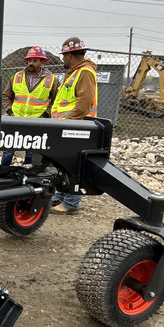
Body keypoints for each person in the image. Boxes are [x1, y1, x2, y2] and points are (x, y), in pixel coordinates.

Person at [51, 37, 98, 214]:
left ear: (70, 55)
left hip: (76, 127)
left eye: (64, 55)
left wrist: (69, 123)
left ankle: (71, 203)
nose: (63, 59)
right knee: (64, 163)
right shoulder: (74, 73)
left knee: (73, 164)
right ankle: (62, 195)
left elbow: (84, 103)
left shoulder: (85, 72)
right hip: (67, 125)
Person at [1, 46, 59, 166]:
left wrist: (45, 115)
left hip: (36, 122)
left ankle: (26, 173)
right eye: (29, 60)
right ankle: (2, 172)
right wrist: (10, 111)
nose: (31, 63)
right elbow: (6, 95)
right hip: (15, 120)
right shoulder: (17, 77)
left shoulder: (52, 80)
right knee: (8, 150)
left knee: (30, 153)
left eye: (35, 60)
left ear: (42, 62)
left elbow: (56, 101)